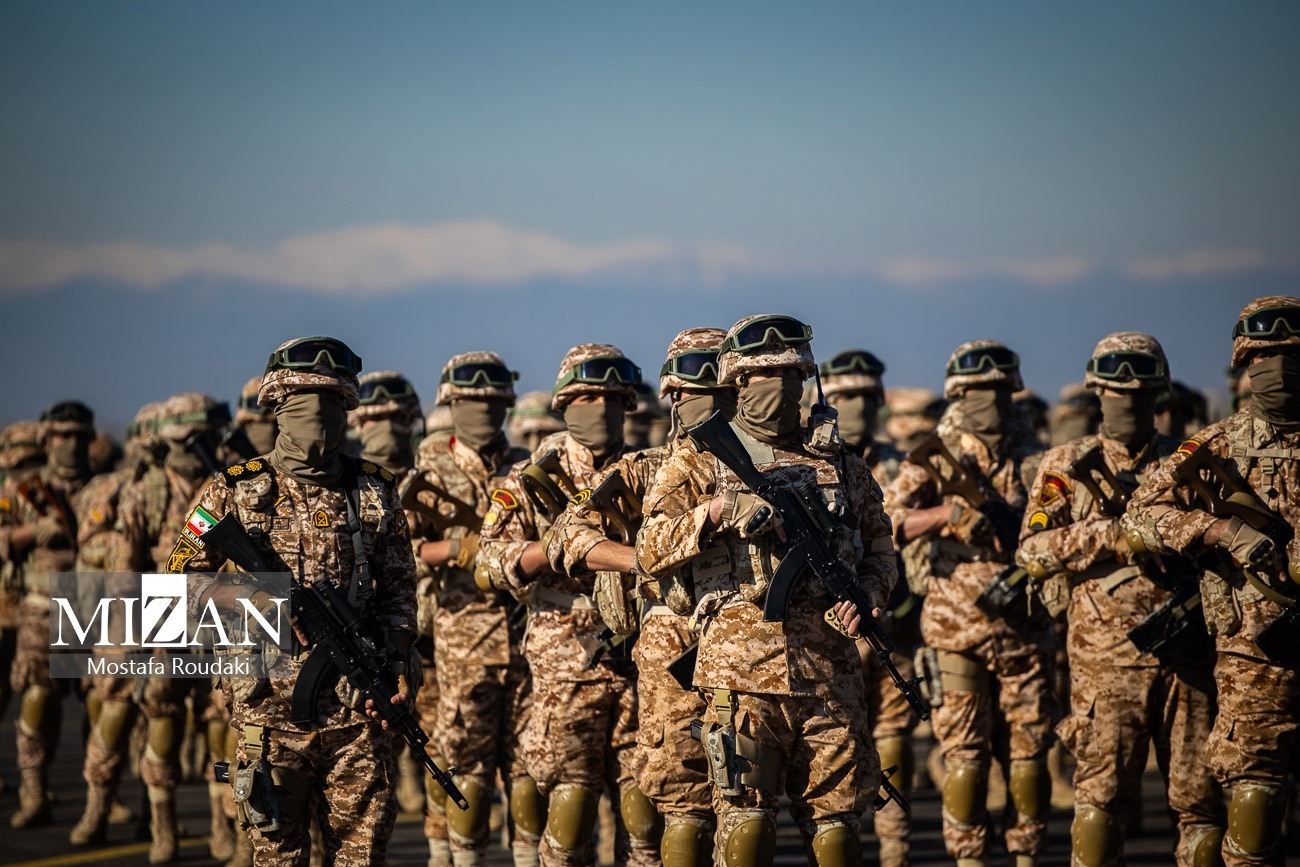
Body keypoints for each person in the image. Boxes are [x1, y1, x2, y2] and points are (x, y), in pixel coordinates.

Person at [636, 314, 897, 867]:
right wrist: (716, 511)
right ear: (737, 382)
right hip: (740, 677)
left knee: (838, 835)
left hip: (830, 675)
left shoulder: (839, 463)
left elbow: (880, 548)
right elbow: (649, 547)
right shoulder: (699, 457)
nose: (779, 386)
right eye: (763, 376)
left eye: (791, 375)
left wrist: (870, 595)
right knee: (747, 832)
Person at [175, 336, 419, 866]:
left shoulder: (375, 490)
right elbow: (179, 580)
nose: (319, 417)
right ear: (279, 408)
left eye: (331, 403)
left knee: (361, 858)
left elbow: (400, 591)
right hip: (266, 713)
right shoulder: (231, 489)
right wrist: (260, 602)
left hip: (357, 715)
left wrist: (397, 660)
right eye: (305, 403)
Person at [1018, 333, 1224, 866]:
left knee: (1203, 810)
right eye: (1116, 391)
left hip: (1188, 660)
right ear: (1098, 392)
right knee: (1100, 810)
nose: (1126, 401)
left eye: (1139, 393)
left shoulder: (1191, 461)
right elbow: (1033, 550)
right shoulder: (1066, 464)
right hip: (1106, 665)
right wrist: (1116, 536)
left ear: (1159, 394)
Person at [546, 327, 736, 867]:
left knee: (747, 815)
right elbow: (566, 535)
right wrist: (643, 560)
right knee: (679, 813)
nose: (705, 402)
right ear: (672, 396)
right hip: (671, 663)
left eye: (721, 392)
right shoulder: (646, 469)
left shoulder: (782, 468)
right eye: (693, 391)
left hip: (755, 664)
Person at [1124, 297, 1300, 866]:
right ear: (1245, 364)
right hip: (1255, 654)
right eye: (1265, 357)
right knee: (1255, 802)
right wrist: (1220, 530)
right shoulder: (1218, 445)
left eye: (1291, 354)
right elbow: (1139, 516)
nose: (1279, 368)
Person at [477, 343, 655, 867]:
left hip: (643, 654)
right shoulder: (532, 478)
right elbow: (487, 562)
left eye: (613, 399)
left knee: (645, 810)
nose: (601, 408)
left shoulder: (653, 470)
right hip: (566, 656)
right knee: (570, 808)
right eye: (588, 398)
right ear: (564, 404)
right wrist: (549, 549)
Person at [883, 341, 1057, 867]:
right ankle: (969, 859)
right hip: (956, 629)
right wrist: (947, 516)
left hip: (1025, 627)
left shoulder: (1039, 459)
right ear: (959, 393)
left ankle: (1026, 854)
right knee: (965, 758)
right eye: (979, 389)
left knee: (1028, 755)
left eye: (1000, 389)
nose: (991, 399)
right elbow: (884, 523)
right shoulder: (934, 456)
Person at [409, 351, 540, 867]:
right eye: (470, 401)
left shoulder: (529, 467)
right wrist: (453, 550)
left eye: (492, 400)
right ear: (451, 403)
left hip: (529, 637)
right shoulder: (428, 472)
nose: (483, 410)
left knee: (530, 774)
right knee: (467, 771)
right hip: (463, 642)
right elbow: (397, 554)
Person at [818, 348, 919, 867]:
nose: (856, 406)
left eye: (865, 397)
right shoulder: (813, 464)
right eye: (845, 397)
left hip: (891, 623)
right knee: (836, 748)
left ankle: (896, 848)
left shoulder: (908, 463)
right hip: (831, 633)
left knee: (894, 739)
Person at [2, 400, 96, 829]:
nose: (70, 443)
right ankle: (34, 789)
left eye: (78, 436)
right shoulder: (24, 489)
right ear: (46, 439)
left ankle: (102, 795)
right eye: (61, 435)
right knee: (38, 695)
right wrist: (32, 532)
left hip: (98, 608)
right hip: (42, 607)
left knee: (99, 702)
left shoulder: (105, 486)